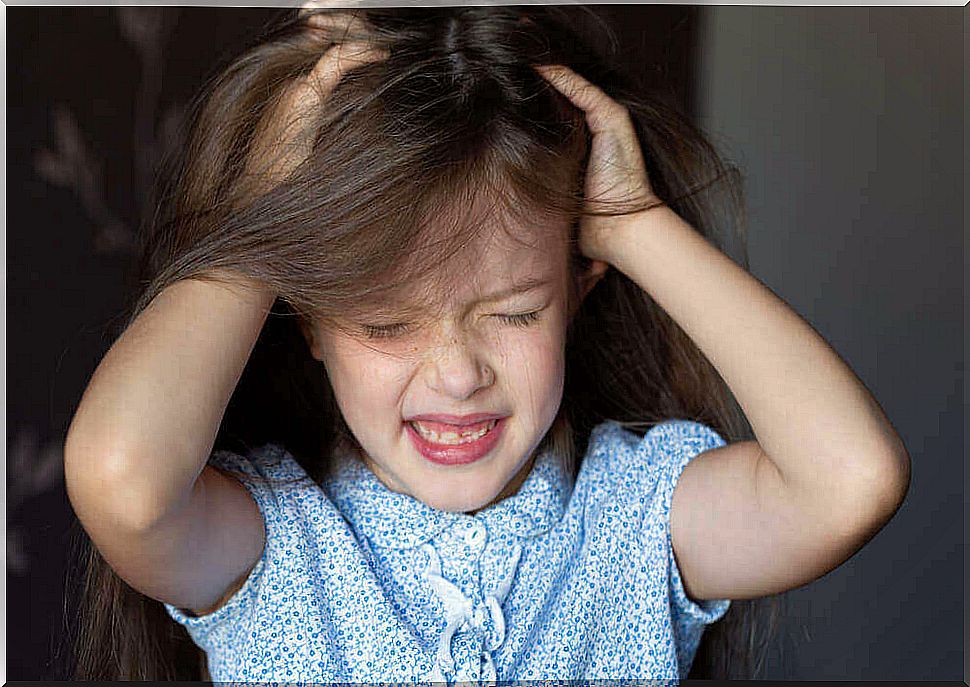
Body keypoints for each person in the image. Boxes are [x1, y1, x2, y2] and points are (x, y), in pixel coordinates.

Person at [62, 5, 910, 683]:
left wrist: (635, 225)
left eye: (513, 313)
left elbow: (852, 480)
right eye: (388, 323)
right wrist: (264, 228)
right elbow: (122, 478)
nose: (459, 373)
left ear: (579, 289)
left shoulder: (635, 525)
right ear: (308, 321)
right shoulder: (274, 545)